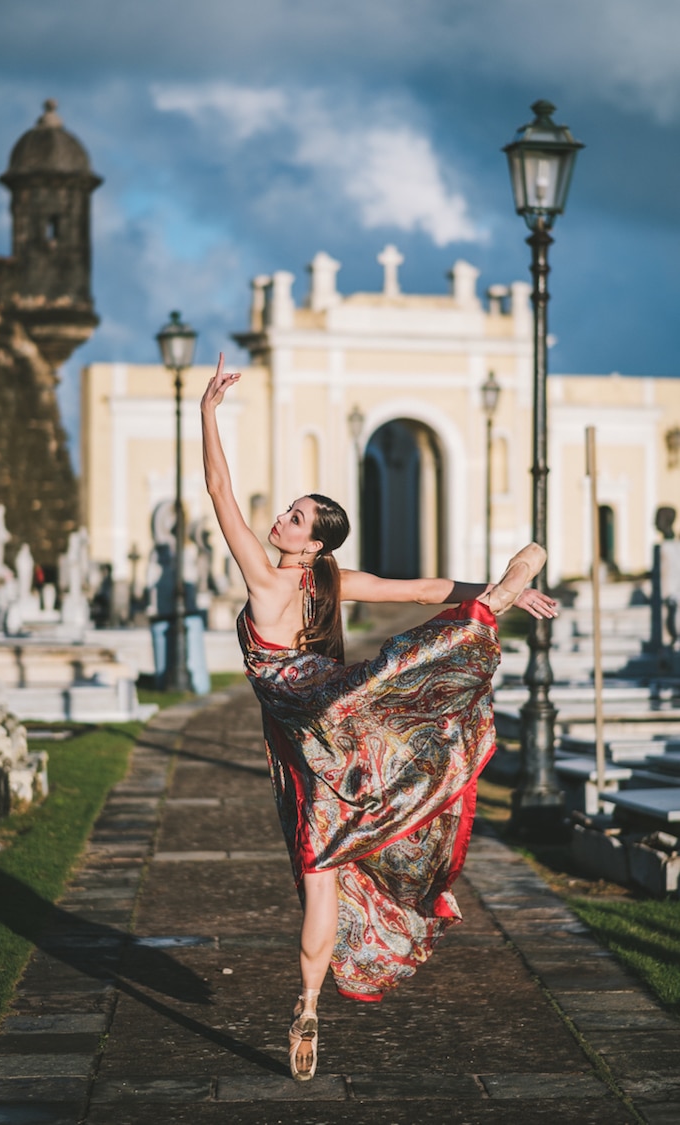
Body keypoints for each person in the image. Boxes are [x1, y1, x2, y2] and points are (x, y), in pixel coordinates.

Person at [201, 353, 557, 1082]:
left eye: (296, 517)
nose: (281, 518)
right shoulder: (331, 579)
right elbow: (424, 585)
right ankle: (489, 609)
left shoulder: (267, 576)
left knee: (319, 865)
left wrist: (208, 411)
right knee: (374, 762)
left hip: (310, 720)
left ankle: (309, 1002)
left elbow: (216, 489)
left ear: (311, 543)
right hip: (334, 715)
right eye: (290, 509)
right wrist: (490, 591)